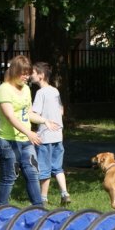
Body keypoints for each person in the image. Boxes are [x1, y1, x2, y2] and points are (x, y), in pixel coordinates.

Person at [0, 55, 51, 205]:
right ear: (14, 72)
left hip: (25, 140)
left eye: (28, 73)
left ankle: (38, 209)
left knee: (33, 173)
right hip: (7, 141)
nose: (27, 77)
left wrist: (44, 120)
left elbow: (29, 113)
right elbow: (10, 117)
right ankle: (1, 209)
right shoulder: (4, 90)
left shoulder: (26, 89)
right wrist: (29, 133)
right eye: (23, 74)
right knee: (9, 176)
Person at [30, 62, 70, 205]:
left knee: (44, 169)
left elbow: (34, 114)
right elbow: (61, 111)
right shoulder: (55, 91)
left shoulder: (40, 93)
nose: (30, 75)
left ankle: (43, 198)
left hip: (45, 137)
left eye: (33, 73)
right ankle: (65, 193)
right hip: (58, 136)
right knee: (58, 167)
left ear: (41, 75)